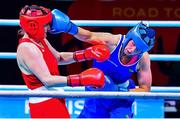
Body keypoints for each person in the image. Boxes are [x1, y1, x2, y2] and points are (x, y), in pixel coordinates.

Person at [49, 9, 156, 118]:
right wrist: (69, 27)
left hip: (122, 98)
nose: (131, 50)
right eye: (132, 44)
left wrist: (119, 91)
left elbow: (145, 89)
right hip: (97, 90)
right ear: (130, 36)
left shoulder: (143, 58)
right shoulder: (112, 42)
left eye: (137, 49)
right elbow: (88, 36)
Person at [16, 5, 110, 118]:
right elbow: (48, 80)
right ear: (34, 26)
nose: (49, 28)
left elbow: (58, 58)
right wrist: (81, 79)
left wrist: (86, 54)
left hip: (54, 99)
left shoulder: (40, 40)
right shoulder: (27, 47)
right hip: (44, 104)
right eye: (45, 25)